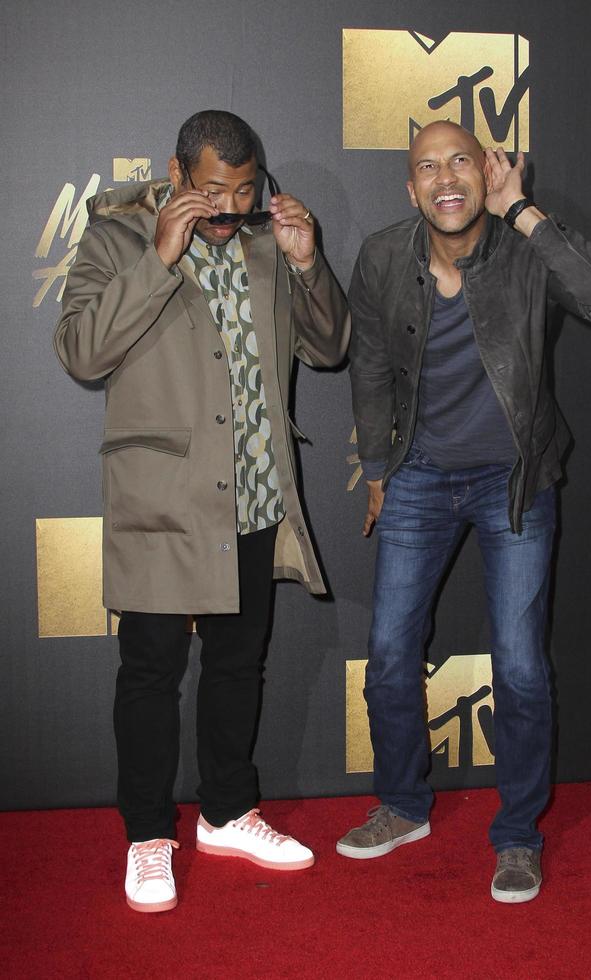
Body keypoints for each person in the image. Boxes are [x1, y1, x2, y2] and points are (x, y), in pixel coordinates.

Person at [54, 109, 349, 913]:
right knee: (150, 674)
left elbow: (330, 347)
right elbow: (81, 350)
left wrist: (309, 261)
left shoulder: (266, 239)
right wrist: (159, 258)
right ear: (179, 177)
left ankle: (226, 811)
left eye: (245, 189)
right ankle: (148, 836)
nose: (229, 206)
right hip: (162, 502)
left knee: (236, 666)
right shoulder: (117, 238)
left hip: (253, 496)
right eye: (213, 189)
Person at [339, 120, 591, 903]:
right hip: (417, 478)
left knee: (523, 668)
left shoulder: (523, 249)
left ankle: (517, 836)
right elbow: (368, 364)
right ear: (410, 187)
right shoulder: (380, 255)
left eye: (461, 162)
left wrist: (524, 211)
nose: (446, 178)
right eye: (427, 167)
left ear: (488, 170)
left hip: (515, 481)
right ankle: (403, 805)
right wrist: (377, 468)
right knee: (391, 656)